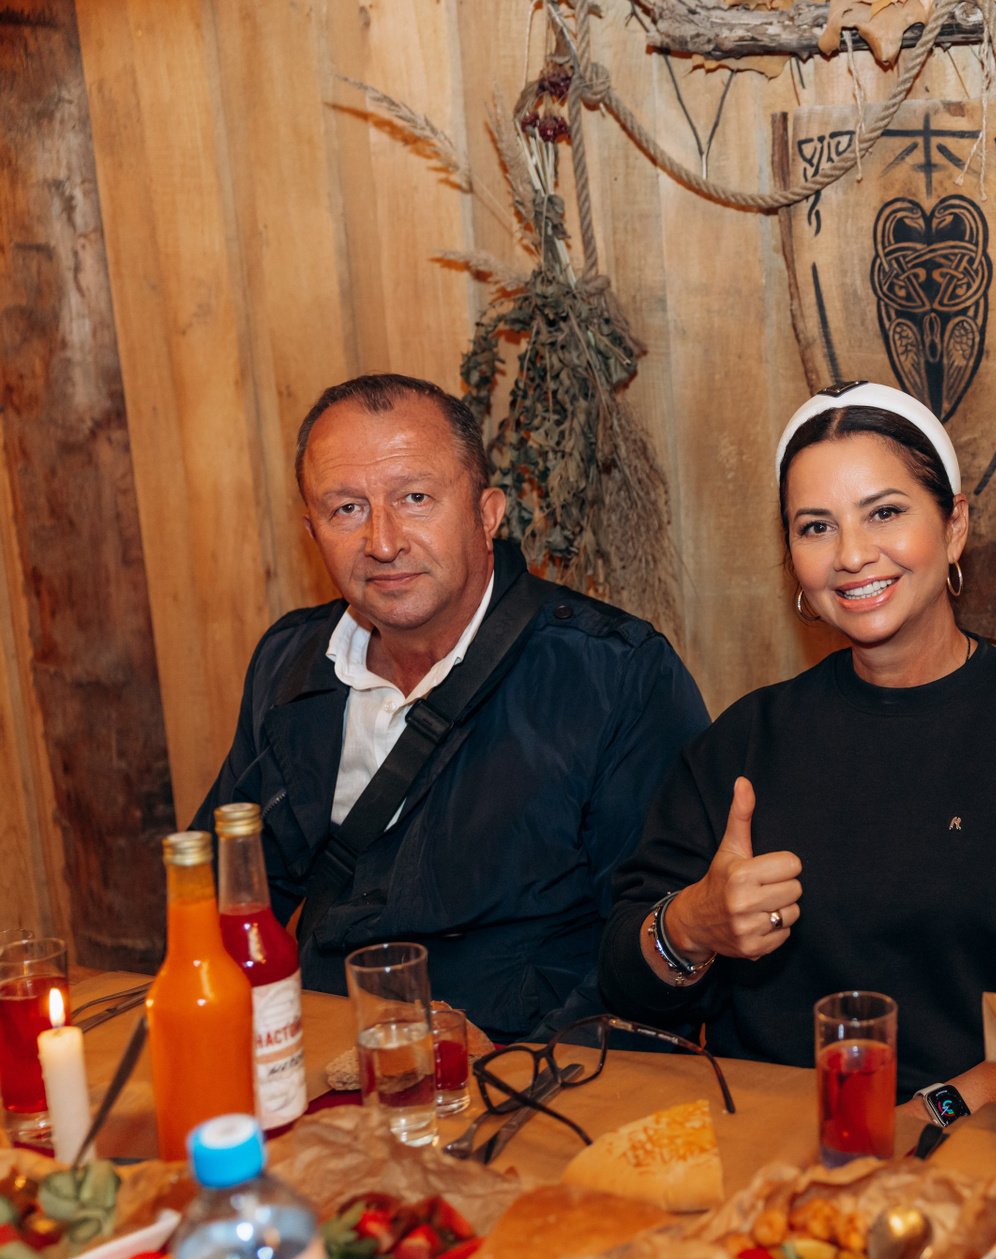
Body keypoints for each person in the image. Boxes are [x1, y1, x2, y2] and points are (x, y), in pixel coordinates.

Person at [599, 381, 996, 1127]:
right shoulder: (745, 741)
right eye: (816, 527)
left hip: (972, 1140)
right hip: (761, 1138)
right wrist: (691, 926)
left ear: (954, 527)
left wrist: (932, 1114)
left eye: (885, 513)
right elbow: (624, 983)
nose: (853, 555)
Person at [195, 373, 710, 1040]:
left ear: (487, 513)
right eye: (346, 508)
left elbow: (657, 945)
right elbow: (224, 891)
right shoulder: (292, 663)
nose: (383, 541)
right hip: (329, 1050)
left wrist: (517, 1069)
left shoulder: (616, 674)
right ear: (311, 530)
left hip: (533, 1067)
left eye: (415, 498)